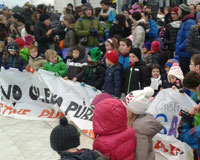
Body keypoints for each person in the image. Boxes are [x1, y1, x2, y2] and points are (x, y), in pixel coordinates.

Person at [125, 87, 163, 160]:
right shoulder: (142, 121)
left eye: (127, 108)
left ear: (133, 111)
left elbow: (141, 154)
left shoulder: (139, 129)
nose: (125, 109)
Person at [175, 4, 196, 74]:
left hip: (185, 54)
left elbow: (188, 38)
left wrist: (179, 47)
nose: (178, 12)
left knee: (186, 73)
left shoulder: (189, 22)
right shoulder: (185, 21)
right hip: (183, 53)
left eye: (179, 10)